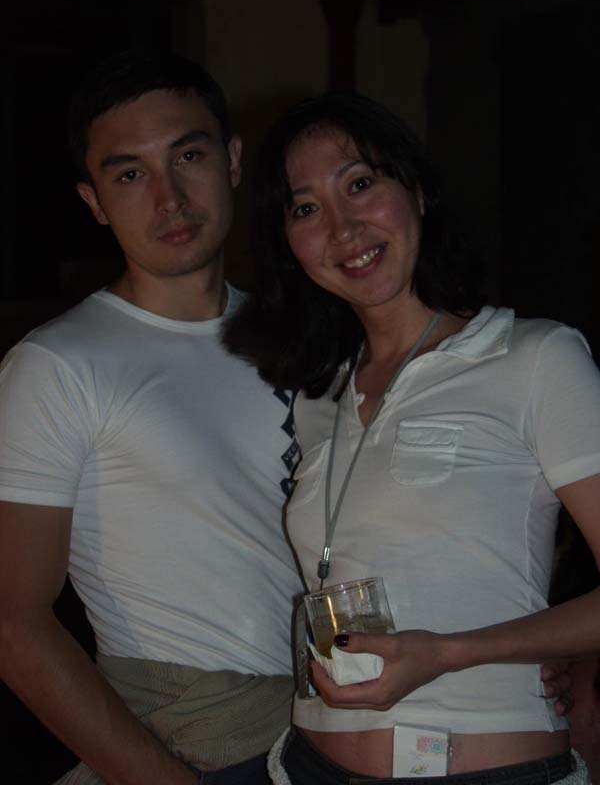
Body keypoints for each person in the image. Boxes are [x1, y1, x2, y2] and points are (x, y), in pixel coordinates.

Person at [223, 91, 600, 784]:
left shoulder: (534, 357)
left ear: (418, 192)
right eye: (306, 209)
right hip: (307, 765)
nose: (343, 228)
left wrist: (453, 652)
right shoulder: (317, 395)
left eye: (360, 184)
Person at [0, 51, 302, 785]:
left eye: (188, 156)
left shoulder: (302, 338)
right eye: (130, 174)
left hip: (337, 729)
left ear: (232, 161)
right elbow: (13, 622)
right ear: (94, 201)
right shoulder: (58, 365)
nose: (169, 198)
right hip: (199, 744)